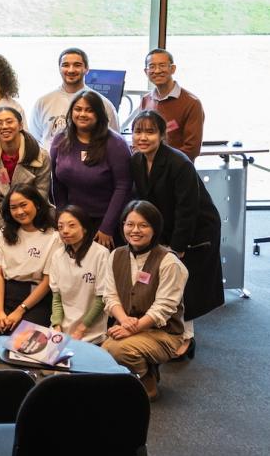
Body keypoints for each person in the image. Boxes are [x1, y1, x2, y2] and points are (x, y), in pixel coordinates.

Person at [130, 109, 222, 357]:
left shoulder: (179, 162)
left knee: (184, 284)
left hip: (195, 229)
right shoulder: (137, 161)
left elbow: (187, 209)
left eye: (150, 132)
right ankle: (168, 330)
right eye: (138, 131)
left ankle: (186, 338)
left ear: (162, 135)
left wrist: (178, 247)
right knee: (165, 280)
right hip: (166, 227)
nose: (143, 137)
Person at [100, 201, 189, 399]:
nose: (135, 230)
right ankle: (143, 372)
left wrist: (132, 327)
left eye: (143, 225)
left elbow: (163, 308)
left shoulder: (169, 261)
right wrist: (124, 320)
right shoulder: (116, 255)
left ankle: (147, 382)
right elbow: (110, 295)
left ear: (155, 228)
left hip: (164, 332)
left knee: (117, 350)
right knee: (107, 349)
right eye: (129, 224)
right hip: (130, 325)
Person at [0, 183, 58, 359]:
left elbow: (47, 281)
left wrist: (20, 311)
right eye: (14, 208)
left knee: (25, 349)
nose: (19, 211)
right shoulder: (3, 234)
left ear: (36, 204)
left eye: (23, 205)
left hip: (35, 298)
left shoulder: (53, 236)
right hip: (5, 294)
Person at [50, 90, 132, 248]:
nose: (82, 114)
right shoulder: (60, 139)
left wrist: (107, 227)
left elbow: (123, 187)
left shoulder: (115, 144)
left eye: (89, 110)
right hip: (72, 220)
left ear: (99, 114)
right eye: (78, 109)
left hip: (106, 222)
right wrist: (62, 217)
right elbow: (56, 182)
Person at [0, 106, 53, 233]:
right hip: (0, 221)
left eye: (9, 121)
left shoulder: (41, 156)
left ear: (21, 125)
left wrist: (25, 226)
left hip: (35, 219)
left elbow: (41, 195)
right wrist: (7, 226)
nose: (4, 126)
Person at [29, 48, 118, 145]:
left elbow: (114, 141)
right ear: (59, 68)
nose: (71, 70)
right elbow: (34, 141)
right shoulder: (42, 102)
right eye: (65, 65)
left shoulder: (104, 104)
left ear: (87, 69)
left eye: (77, 65)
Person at [49, 206, 109, 344]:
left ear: (85, 228)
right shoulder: (57, 256)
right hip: (62, 331)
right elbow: (57, 298)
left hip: (90, 332)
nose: (65, 231)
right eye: (60, 226)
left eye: (72, 226)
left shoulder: (101, 254)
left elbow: (101, 299)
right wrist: (56, 326)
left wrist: (82, 329)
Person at [139, 48, 204, 160]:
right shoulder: (146, 100)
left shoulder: (191, 103)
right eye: (152, 66)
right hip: (148, 170)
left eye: (162, 65)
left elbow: (192, 149)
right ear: (146, 72)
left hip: (178, 171)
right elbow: (139, 137)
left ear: (172, 69)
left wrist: (159, 163)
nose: (157, 71)